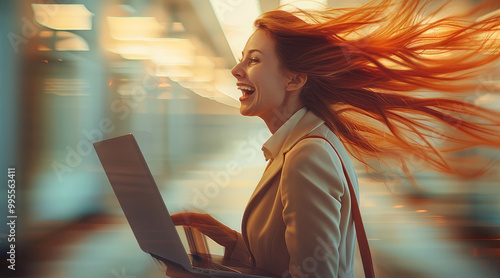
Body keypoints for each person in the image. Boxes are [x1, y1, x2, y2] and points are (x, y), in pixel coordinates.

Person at [166, 0, 500, 277]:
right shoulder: (301, 145)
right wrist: (226, 239)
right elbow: (280, 262)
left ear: (294, 79)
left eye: (253, 60)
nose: (237, 70)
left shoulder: (306, 156)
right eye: (242, 58)